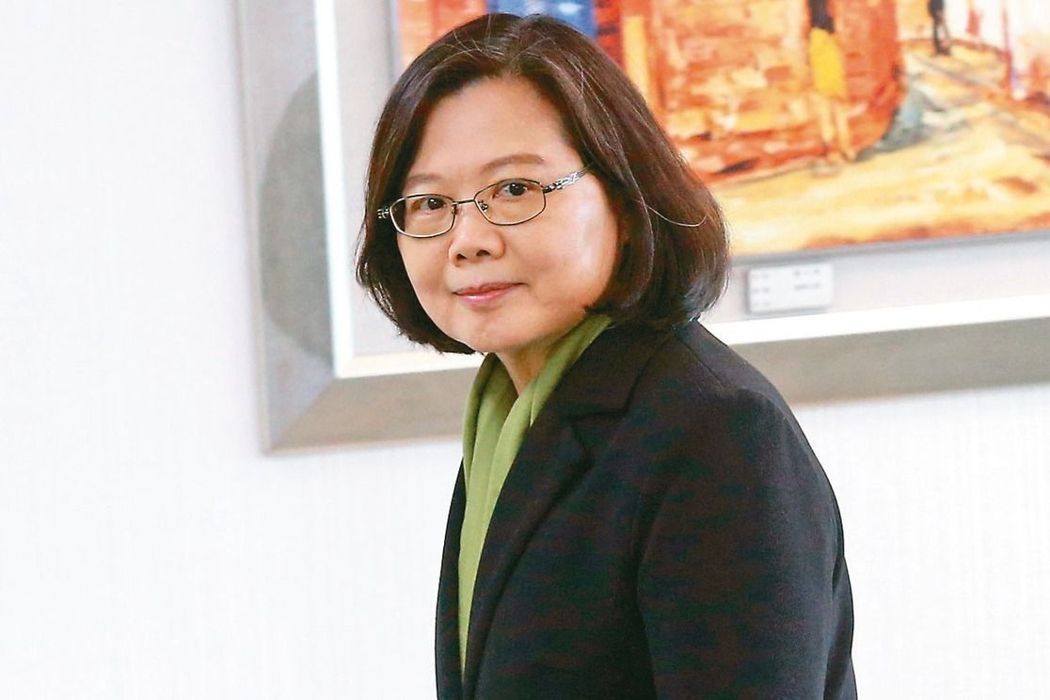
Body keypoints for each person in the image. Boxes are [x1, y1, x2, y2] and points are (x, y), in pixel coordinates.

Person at [356, 13, 856, 699]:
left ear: (624, 195)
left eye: (515, 190)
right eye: (430, 202)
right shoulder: (511, 417)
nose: (467, 240)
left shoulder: (716, 432)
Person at [806, 0, 856, 164]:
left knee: (827, 105)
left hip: (822, 41)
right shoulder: (827, 36)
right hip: (826, 41)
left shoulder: (818, 36)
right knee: (834, 105)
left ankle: (836, 149)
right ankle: (843, 148)